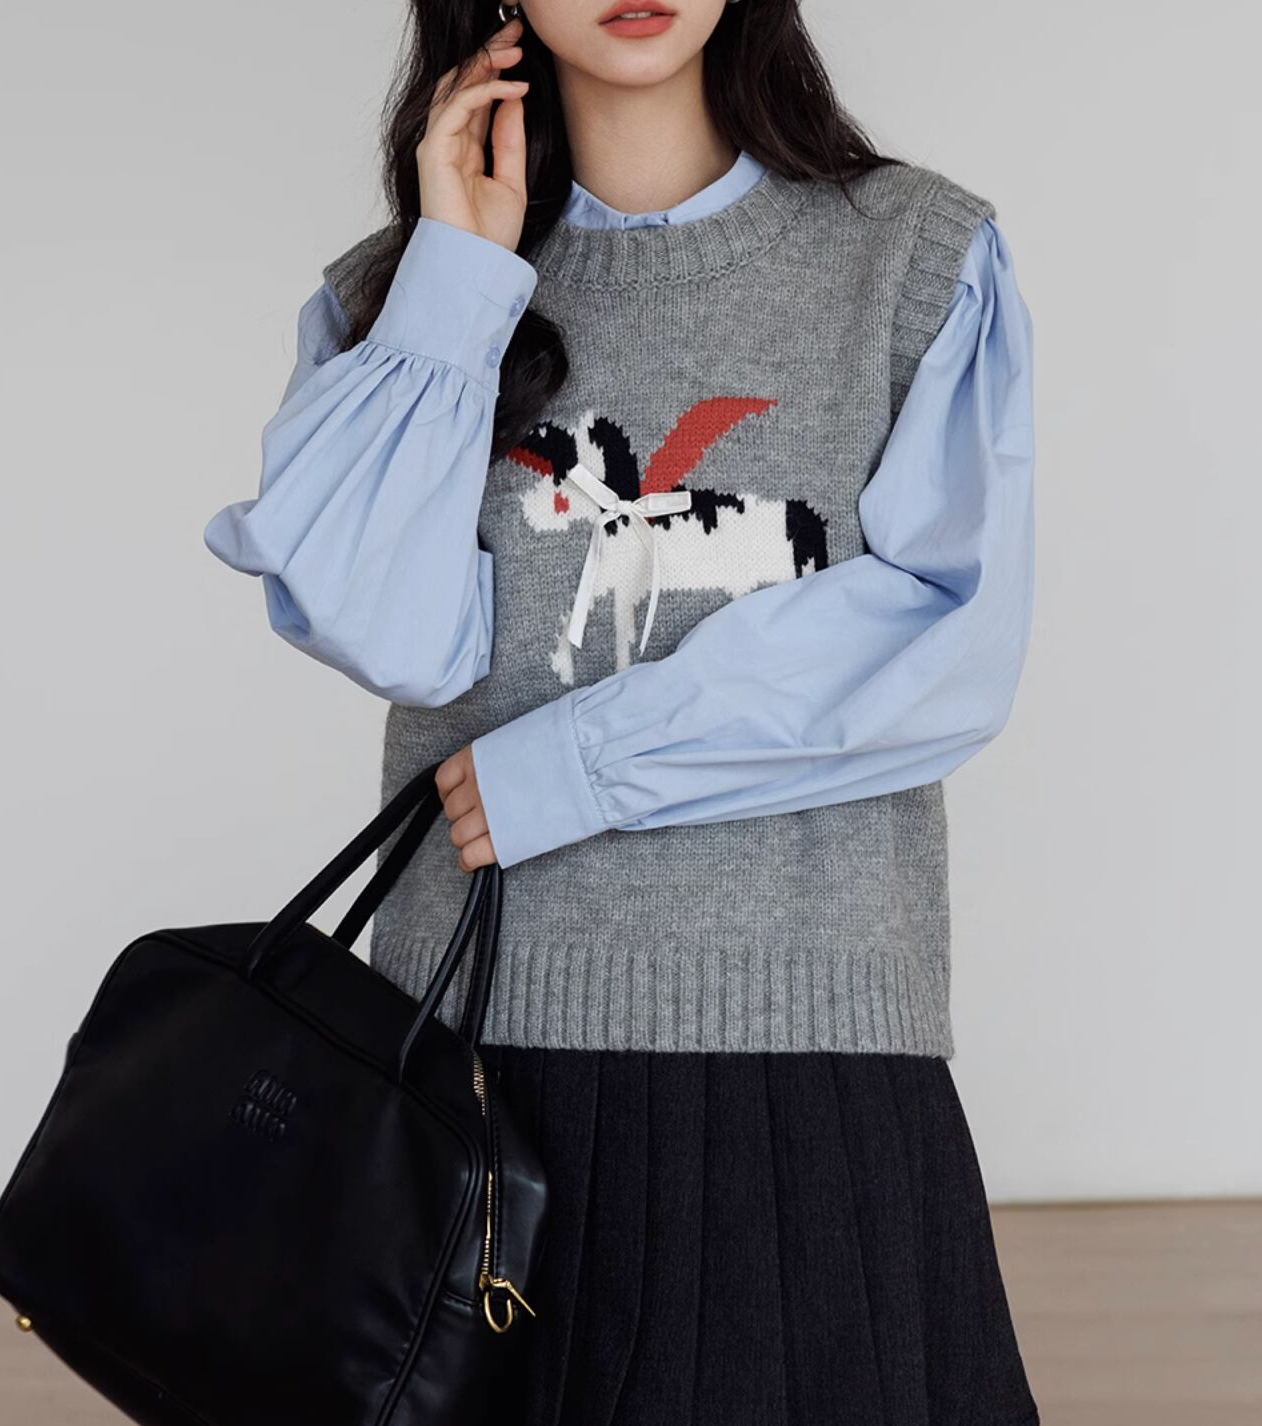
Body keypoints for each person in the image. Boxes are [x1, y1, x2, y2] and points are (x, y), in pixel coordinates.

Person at [203, 2, 1039, 1421]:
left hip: (812, 1067)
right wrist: (456, 285)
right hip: (472, 1070)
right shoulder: (396, 301)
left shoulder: (912, 257)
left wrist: (580, 766)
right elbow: (386, 630)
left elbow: (946, 636)